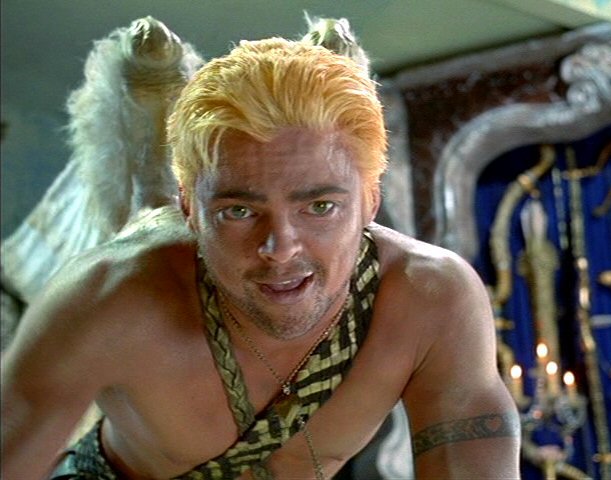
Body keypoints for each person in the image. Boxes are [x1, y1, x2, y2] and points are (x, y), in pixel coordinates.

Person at [1, 37, 520, 479]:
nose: (280, 248)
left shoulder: (432, 298)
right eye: (239, 212)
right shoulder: (108, 298)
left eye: (320, 206)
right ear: (190, 209)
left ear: (370, 200)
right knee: (146, 213)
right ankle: (153, 150)